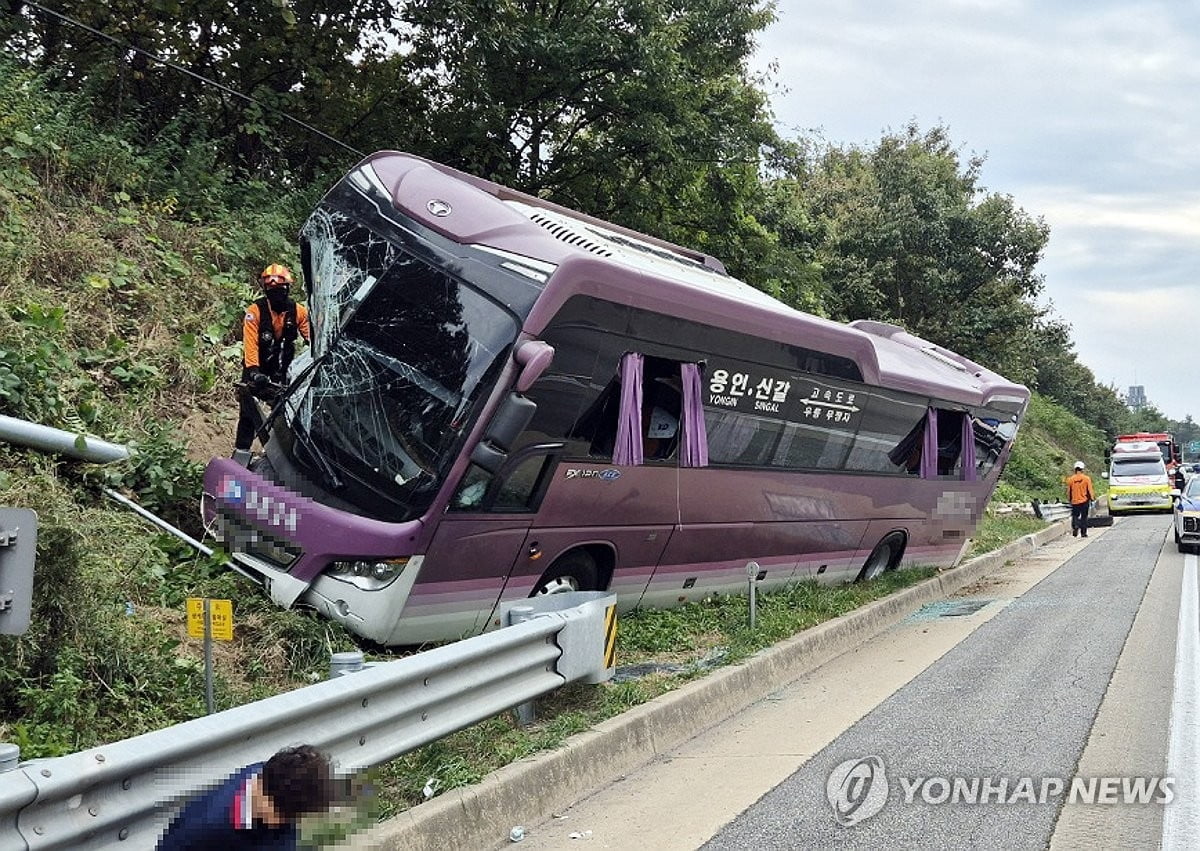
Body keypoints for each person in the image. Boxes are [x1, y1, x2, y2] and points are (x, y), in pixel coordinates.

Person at [156, 744, 334, 850]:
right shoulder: (202, 829)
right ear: (262, 790)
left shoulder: (278, 780)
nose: (282, 823)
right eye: (280, 814)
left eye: (292, 817)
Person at [234, 264, 311, 457]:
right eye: (272, 291)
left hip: (283, 370)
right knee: (248, 412)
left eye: (280, 290)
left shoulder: (299, 312)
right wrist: (253, 371)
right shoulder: (255, 311)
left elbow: (313, 339)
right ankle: (241, 452)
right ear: (266, 291)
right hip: (257, 368)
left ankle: (278, 455)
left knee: (284, 415)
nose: (276, 295)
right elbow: (250, 343)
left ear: (287, 289)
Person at [1066, 460, 1095, 538]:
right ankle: (1083, 533)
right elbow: (1089, 490)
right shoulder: (1086, 478)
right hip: (1084, 501)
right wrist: (1092, 498)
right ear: (1082, 469)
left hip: (1075, 501)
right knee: (1084, 517)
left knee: (1075, 515)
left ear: (1075, 469)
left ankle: (1075, 526)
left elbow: (1069, 491)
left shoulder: (1071, 479)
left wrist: (1069, 499)